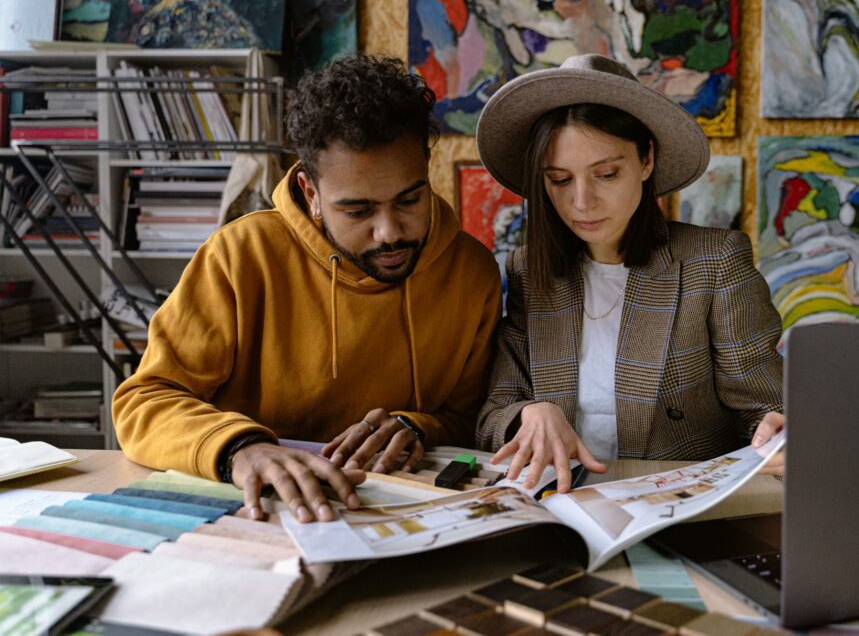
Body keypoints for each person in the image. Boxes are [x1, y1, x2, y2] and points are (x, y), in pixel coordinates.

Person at [113, 56, 502, 522]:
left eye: (409, 200)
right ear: (311, 191)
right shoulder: (239, 257)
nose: (389, 233)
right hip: (253, 512)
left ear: (426, 170)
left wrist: (415, 426)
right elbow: (144, 402)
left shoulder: (472, 273)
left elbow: (468, 419)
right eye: (358, 211)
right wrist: (241, 449)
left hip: (399, 514)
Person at [474, 54, 784, 492]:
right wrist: (528, 415)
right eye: (560, 180)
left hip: (679, 508)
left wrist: (775, 430)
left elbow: (766, 408)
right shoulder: (529, 270)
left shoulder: (714, 262)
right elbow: (492, 414)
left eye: (606, 173)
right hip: (560, 502)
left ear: (646, 161)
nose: (582, 202)